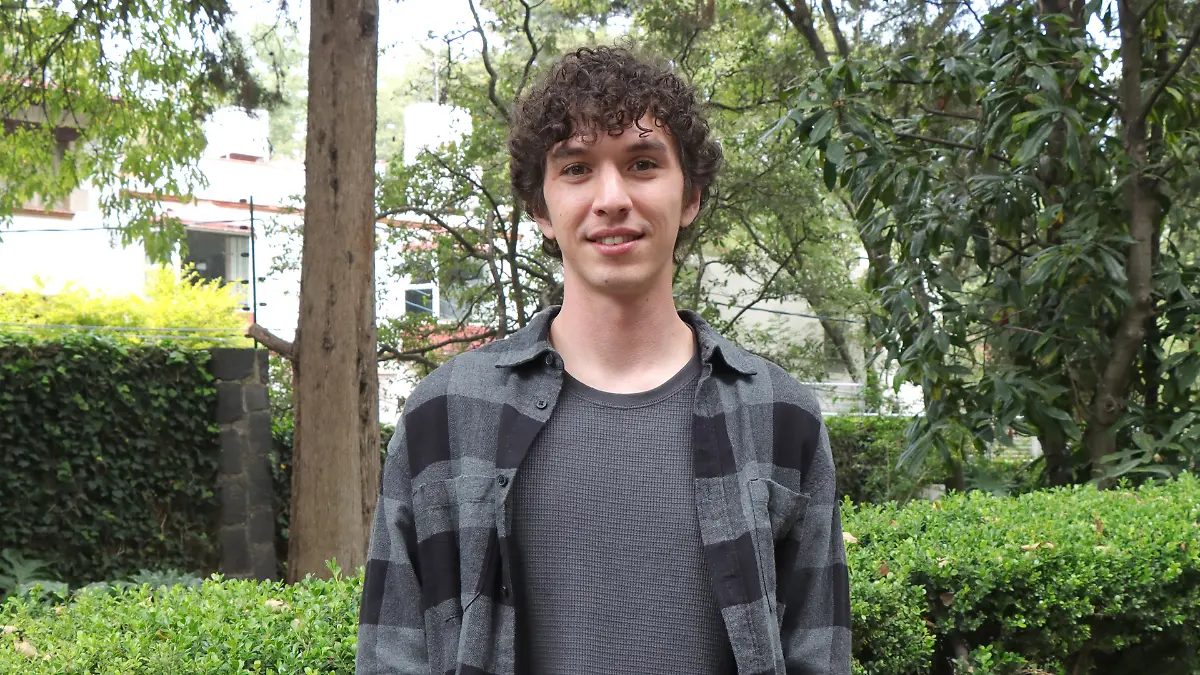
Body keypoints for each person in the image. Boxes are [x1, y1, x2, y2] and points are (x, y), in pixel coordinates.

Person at [356, 45, 850, 675]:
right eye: (576, 168)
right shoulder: (444, 415)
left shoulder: (782, 417)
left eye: (643, 164)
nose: (611, 198)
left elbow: (817, 654)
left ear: (691, 195)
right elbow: (392, 656)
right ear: (540, 208)